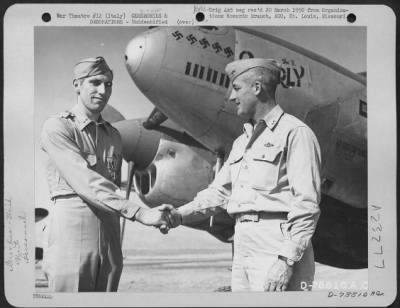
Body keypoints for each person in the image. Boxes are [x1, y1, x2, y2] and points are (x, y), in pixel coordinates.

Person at [163, 58, 322, 292]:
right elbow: (219, 192)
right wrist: (179, 214)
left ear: (257, 88)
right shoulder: (241, 143)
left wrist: (286, 260)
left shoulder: (295, 133)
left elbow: (306, 204)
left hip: (276, 242)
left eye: (236, 88)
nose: (231, 97)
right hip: (242, 241)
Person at [40, 56, 171, 292]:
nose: (103, 91)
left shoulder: (114, 136)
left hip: (110, 238)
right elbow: (87, 183)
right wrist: (141, 213)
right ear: (77, 85)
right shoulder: (58, 127)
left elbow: (111, 186)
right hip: (72, 236)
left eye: (108, 84)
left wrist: (159, 214)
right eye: (95, 82)